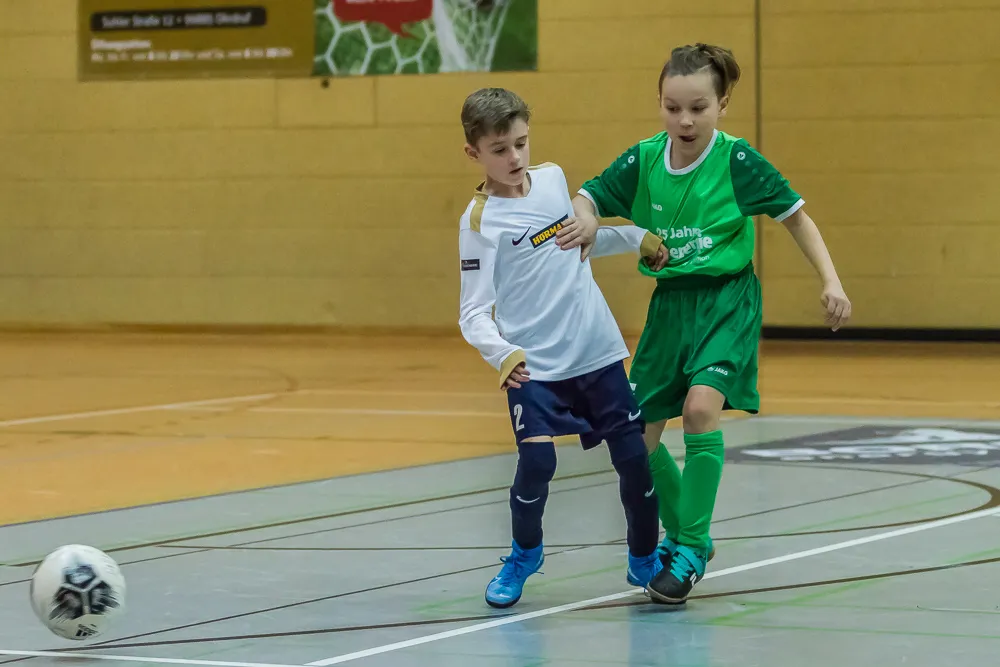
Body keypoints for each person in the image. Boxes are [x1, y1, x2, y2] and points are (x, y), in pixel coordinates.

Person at [555, 43, 853, 605]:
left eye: (698, 108)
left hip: (726, 301)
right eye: (673, 108)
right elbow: (587, 194)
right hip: (670, 307)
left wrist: (831, 281)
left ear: (723, 105)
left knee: (698, 410)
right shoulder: (644, 159)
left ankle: (689, 547)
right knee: (636, 437)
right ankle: (691, 532)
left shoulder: (737, 161)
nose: (685, 120)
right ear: (660, 104)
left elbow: (797, 218)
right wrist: (587, 218)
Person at [457, 87, 671, 608]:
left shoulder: (553, 180)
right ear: (473, 153)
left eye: (521, 143)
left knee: (634, 458)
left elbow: (579, 242)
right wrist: (502, 354)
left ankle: (644, 558)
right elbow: (472, 312)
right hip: (535, 367)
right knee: (537, 464)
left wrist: (635, 236)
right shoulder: (479, 223)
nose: (514, 157)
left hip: (596, 352)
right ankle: (524, 555)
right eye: (500, 149)